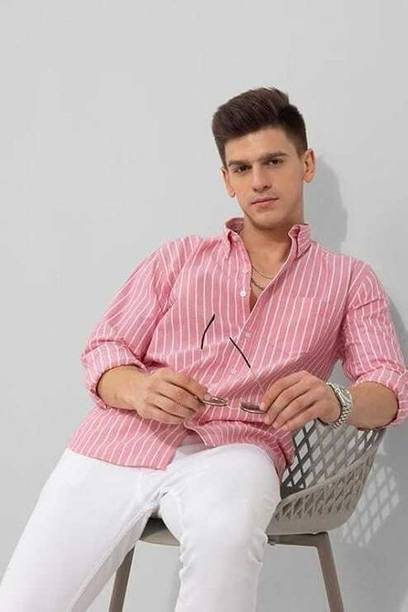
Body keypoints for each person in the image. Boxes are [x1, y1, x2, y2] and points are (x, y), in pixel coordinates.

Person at [1, 86, 407, 612]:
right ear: (226, 180)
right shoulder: (179, 258)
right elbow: (104, 349)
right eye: (241, 168)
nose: (258, 181)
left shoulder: (350, 281)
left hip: (238, 453)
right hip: (118, 442)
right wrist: (140, 389)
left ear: (305, 164)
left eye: (273, 161)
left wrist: (337, 400)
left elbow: (391, 389)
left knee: (227, 545)